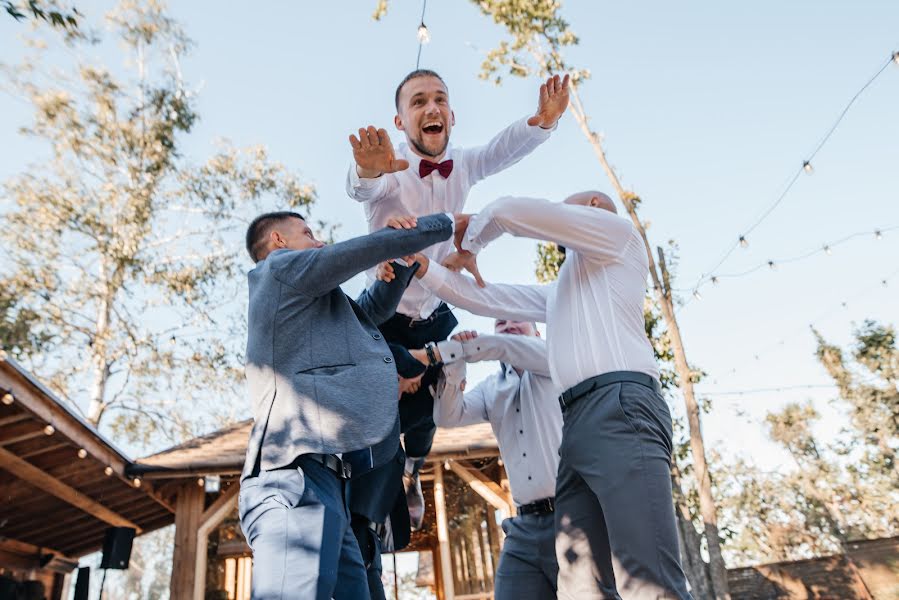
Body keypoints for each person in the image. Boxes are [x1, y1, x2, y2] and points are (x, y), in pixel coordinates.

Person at [418, 195, 693, 599]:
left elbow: (511, 212)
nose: (562, 207)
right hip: (576, 426)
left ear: (595, 205)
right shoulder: (561, 289)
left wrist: (471, 239)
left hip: (619, 403)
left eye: (571, 203)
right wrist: (422, 268)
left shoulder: (618, 238)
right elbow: (485, 298)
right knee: (580, 586)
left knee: (646, 578)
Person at [346, 69, 570, 525]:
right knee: (381, 413)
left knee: (435, 401)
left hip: (435, 308)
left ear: (451, 115)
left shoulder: (464, 163)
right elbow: (362, 186)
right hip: (385, 315)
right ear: (400, 121)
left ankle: (414, 469)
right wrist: (367, 168)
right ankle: (372, 492)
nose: (432, 108)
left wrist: (542, 122)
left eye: (440, 99)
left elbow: (500, 151)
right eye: (418, 102)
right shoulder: (392, 173)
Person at [238, 210, 456, 599]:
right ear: (278, 241)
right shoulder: (278, 271)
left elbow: (366, 315)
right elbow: (347, 256)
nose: (318, 240)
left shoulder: (313, 308)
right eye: (307, 232)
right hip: (293, 476)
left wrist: (395, 273)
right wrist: (445, 224)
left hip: (330, 482)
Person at [422, 317, 563, 600]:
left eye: (517, 320)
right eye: (500, 323)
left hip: (573, 516)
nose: (509, 324)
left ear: (537, 331)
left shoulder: (557, 362)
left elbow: (511, 348)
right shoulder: (491, 387)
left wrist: (473, 346)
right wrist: (456, 360)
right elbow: (447, 417)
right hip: (523, 526)